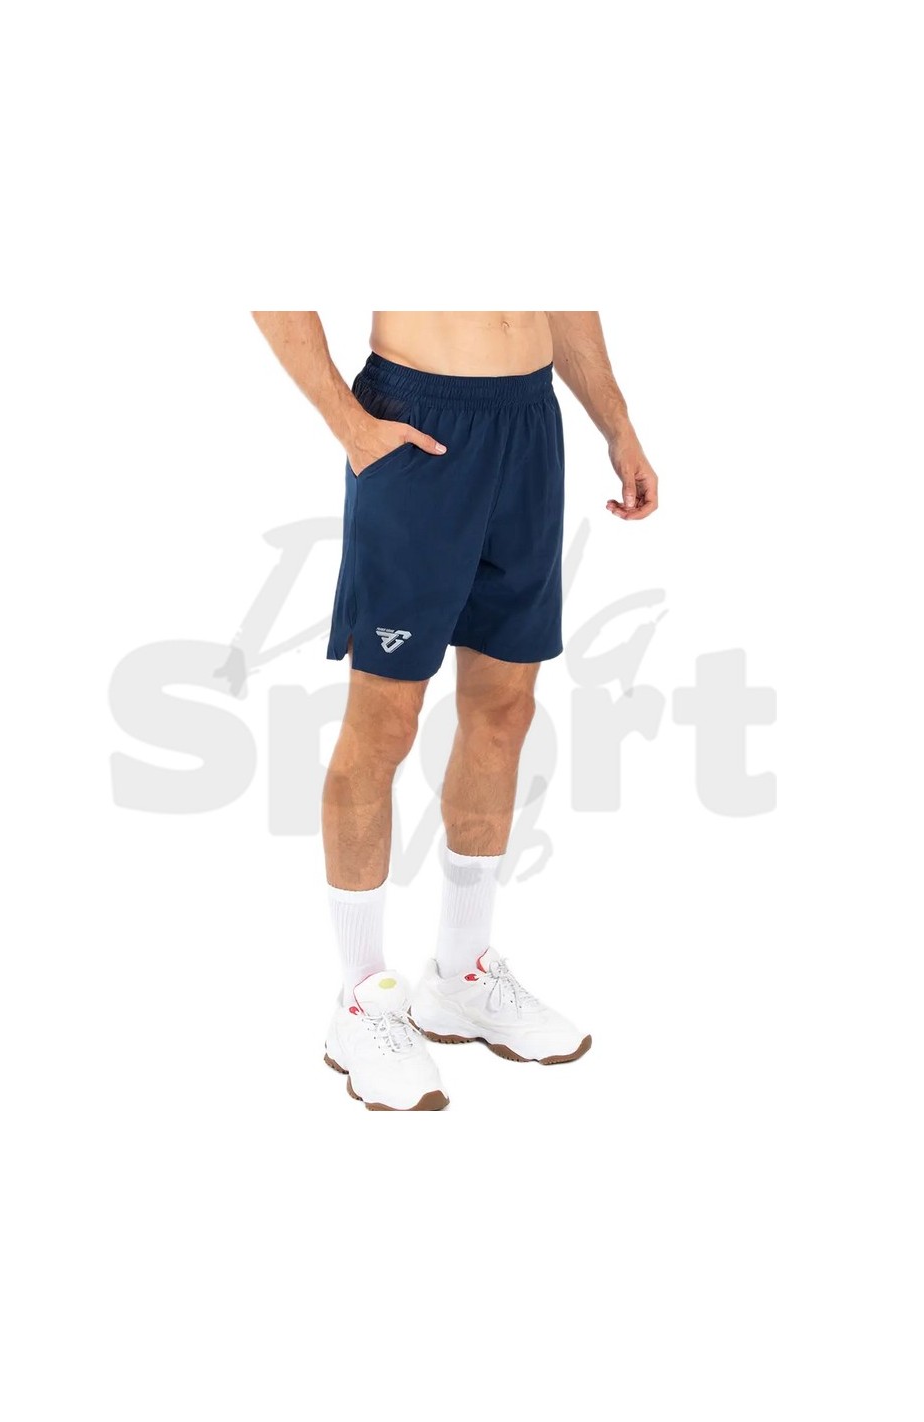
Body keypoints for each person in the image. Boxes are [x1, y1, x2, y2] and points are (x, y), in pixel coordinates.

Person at [251, 312, 659, 1110]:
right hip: (417, 423)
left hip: (529, 424)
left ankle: (462, 976)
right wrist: (350, 425)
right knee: (385, 723)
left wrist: (618, 426)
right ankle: (362, 999)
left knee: (504, 711)